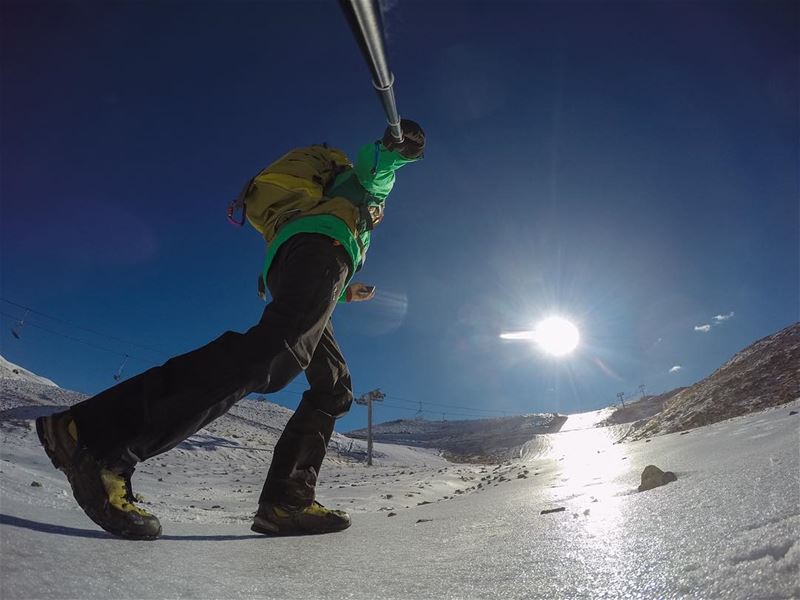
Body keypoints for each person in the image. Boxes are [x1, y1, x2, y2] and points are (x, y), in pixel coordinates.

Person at [35, 120, 425, 540]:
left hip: (295, 259)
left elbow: (308, 254)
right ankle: (95, 437)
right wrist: (398, 150)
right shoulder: (356, 184)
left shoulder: (313, 198)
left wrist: (344, 293)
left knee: (332, 388)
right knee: (275, 351)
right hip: (322, 251)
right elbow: (375, 167)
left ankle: (286, 501)